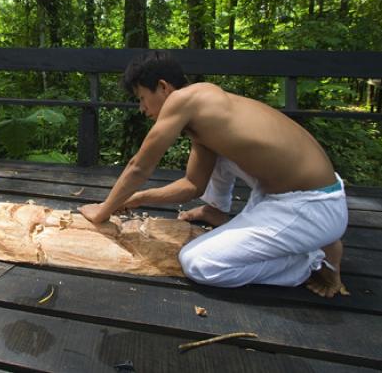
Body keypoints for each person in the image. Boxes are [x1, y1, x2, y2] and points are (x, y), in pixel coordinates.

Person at [79, 51, 349, 298]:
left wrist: (104, 210)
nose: (142, 108)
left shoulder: (181, 100)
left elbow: (139, 166)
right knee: (218, 157)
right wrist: (138, 198)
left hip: (309, 205)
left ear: (163, 87)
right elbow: (192, 185)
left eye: (141, 98)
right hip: (300, 194)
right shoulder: (205, 110)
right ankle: (215, 210)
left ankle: (312, 259)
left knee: (198, 264)